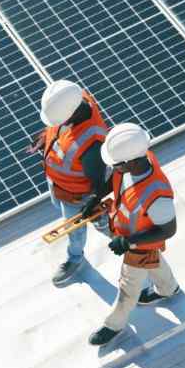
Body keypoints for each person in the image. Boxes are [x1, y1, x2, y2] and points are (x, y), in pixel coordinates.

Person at [90, 123, 180, 346]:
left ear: (130, 162)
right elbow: (115, 180)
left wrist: (128, 241)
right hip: (133, 237)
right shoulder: (136, 159)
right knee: (155, 261)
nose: (114, 169)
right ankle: (169, 289)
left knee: (128, 289)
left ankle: (114, 324)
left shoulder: (157, 195)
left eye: (116, 165)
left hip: (138, 244)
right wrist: (96, 198)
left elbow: (168, 230)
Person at [36, 80, 111, 286]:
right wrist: (46, 137)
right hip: (58, 187)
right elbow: (59, 129)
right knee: (63, 213)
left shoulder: (92, 144)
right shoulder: (72, 98)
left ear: (72, 113)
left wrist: (92, 202)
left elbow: (102, 182)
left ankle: (77, 258)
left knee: (76, 232)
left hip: (77, 198)